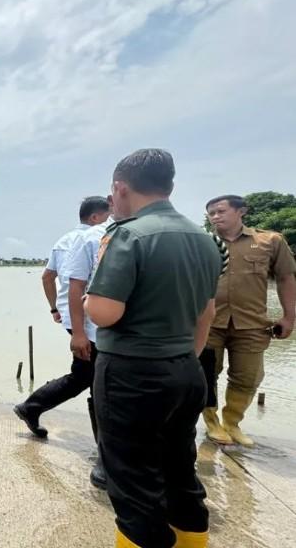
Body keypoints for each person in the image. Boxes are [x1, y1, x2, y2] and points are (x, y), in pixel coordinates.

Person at [84, 149, 222, 548]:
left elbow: (105, 312)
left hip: (133, 374)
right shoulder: (204, 238)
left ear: (119, 188)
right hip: (184, 369)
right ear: (170, 186)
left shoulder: (126, 235)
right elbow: (207, 313)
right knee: (181, 472)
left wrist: (91, 289)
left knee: (133, 486)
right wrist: (186, 358)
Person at [13, 196, 111, 489]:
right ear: (96, 217)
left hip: (77, 321)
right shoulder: (98, 238)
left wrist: (55, 309)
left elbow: (47, 277)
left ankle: (32, 406)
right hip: (91, 324)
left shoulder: (64, 240)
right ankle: (106, 457)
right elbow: (74, 283)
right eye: (107, 214)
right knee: (99, 383)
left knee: (86, 377)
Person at [200, 195, 296, 446]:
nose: (215, 216)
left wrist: (288, 316)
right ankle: (212, 422)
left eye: (220, 211)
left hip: (252, 322)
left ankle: (232, 423)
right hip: (209, 321)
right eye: (211, 213)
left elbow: (286, 278)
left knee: (248, 376)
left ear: (241, 211)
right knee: (206, 373)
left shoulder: (269, 241)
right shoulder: (203, 242)